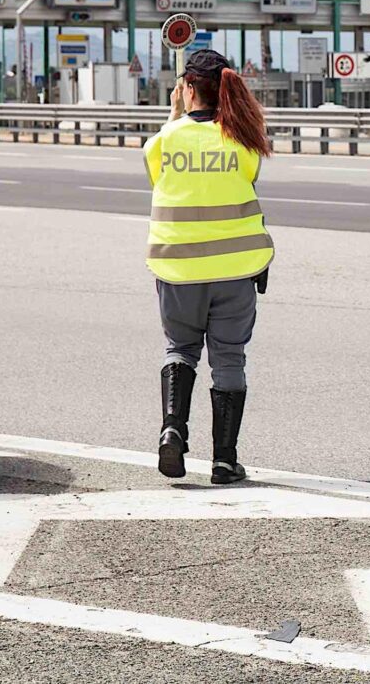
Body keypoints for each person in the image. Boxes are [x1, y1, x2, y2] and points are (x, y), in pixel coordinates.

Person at [143, 49, 273, 485]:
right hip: (236, 271)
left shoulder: (165, 140)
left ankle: (172, 431)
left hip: (178, 272)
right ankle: (224, 460)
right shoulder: (244, 140)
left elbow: (157, 173)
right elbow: (248, 182)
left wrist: (173, 116)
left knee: (180, 351)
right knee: (229, 360)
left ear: (187, 87)